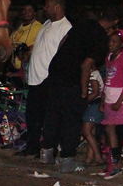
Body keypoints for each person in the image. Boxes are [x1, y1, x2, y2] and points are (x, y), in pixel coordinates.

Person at [40, 9, 114, 172]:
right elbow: (86, 65)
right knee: (71, 120)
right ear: (115, 23)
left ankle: (47, 152)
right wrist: (82, 92)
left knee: (53, 113)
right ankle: (67, 159)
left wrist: (62, 58)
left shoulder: (83, 24)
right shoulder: (101, 38)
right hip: (72, 79)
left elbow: (63, 41)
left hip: (57, 71)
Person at [20, 0, 72, 157]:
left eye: (48, 6)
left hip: (48, 78)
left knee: (48, 117)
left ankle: (48, 148)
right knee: (32, 115)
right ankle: (32, 146)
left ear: (57, 7)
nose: (45, 8)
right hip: (35, 77)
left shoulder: (66, 27)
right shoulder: (47, 24)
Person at [100, 29, 123, 179]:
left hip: (119, 100)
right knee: (108, 130)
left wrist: (120, 101)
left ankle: (115, 162)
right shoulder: (109, 57)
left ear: (122, 44)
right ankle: (114, 160)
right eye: (109, 41)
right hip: (109, 98)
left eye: (114, 42)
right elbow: (107, 79)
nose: (110, 44)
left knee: (111, 129)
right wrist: (102, 100)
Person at [9, 4, 43, 75]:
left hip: (28, 68)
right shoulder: (20, 26)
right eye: (24, 10)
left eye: (29, 10)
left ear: (35, 13)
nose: (26, 12)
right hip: (14, 66)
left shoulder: (38, 27)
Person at [81, 66, 104, 167]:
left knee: (86, 131)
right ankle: (89, 158)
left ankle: (98, 157)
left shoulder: (93, 74)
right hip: (96, 105)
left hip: (94, 105)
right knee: (91, 133)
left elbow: (95, 92)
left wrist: (83, 102)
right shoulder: (94, 73)